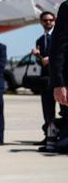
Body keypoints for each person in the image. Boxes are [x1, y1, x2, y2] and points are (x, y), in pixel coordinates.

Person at [32, 11, 67, 145]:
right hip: (46, 80)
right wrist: (38, 56)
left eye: (51, 20)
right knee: (47, 110)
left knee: (64, 109)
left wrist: (50, 59)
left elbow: (61, 55)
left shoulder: (60, 36)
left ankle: (62, 136)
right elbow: (41, 63)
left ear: (55, 21)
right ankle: (49, 135)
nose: (48, 22)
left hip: (60, 79)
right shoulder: (40, 40)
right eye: (45, 20)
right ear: (41, 22)